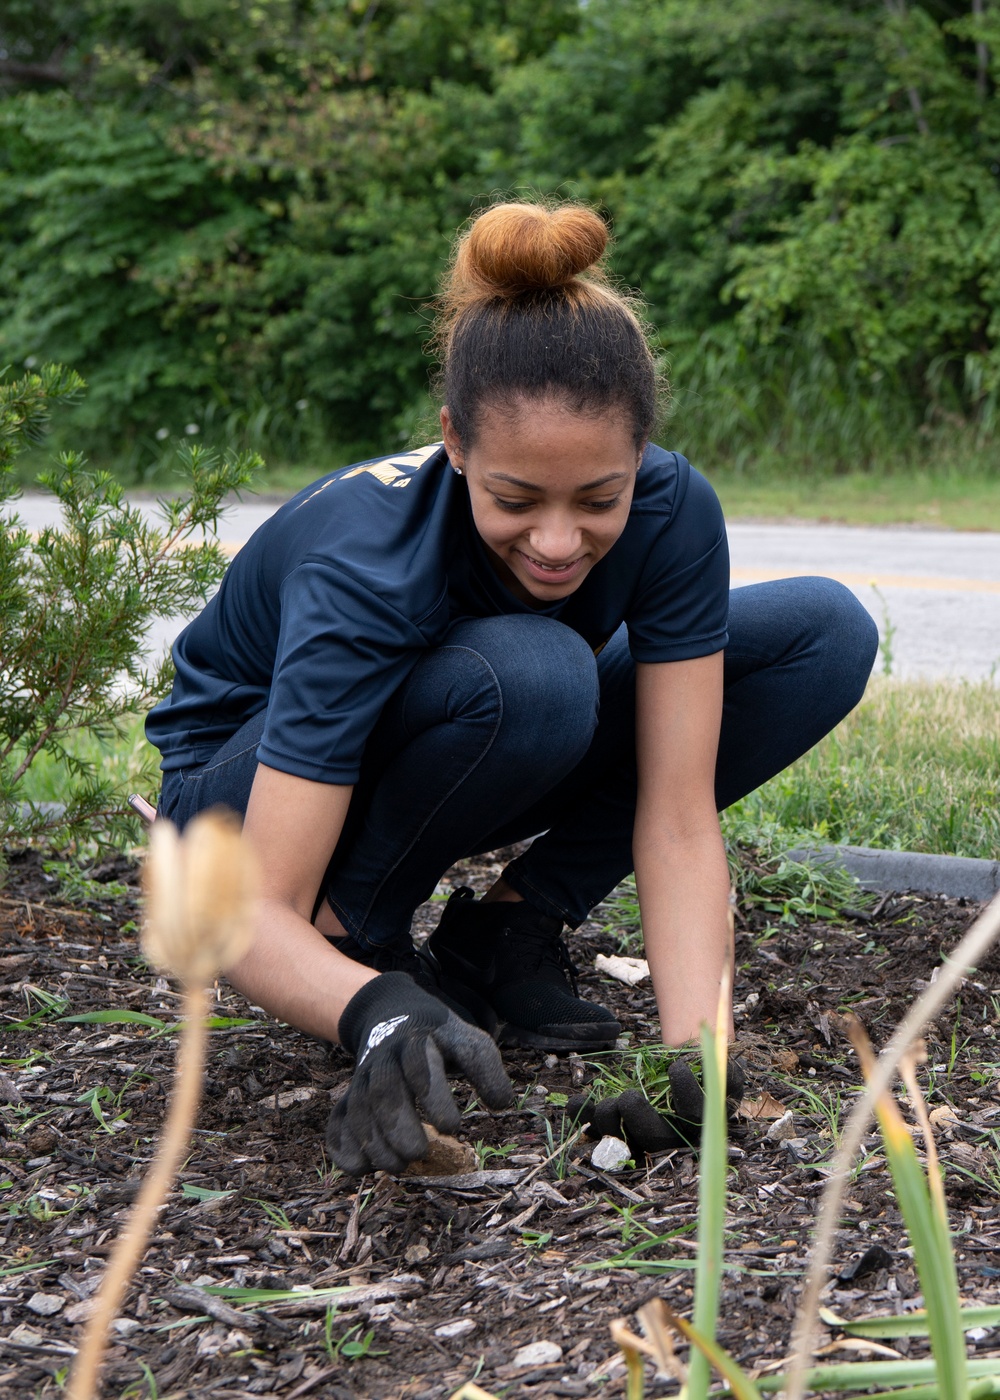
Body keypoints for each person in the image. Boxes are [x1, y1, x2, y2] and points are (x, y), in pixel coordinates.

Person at [146, 200, 878, 1176]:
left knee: (820, 634)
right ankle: (360, 941)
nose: (558, 541)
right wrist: (370, 1011)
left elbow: (676, 814)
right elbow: (242, 904)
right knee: (532, 672)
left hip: (472, 716)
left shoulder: (673, 509)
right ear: (455, 442)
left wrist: (690, 1051)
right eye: (515, 499)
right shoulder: (367, 559)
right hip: (233, 797)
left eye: (599, 496)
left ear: (638, 455)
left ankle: (506, 929)